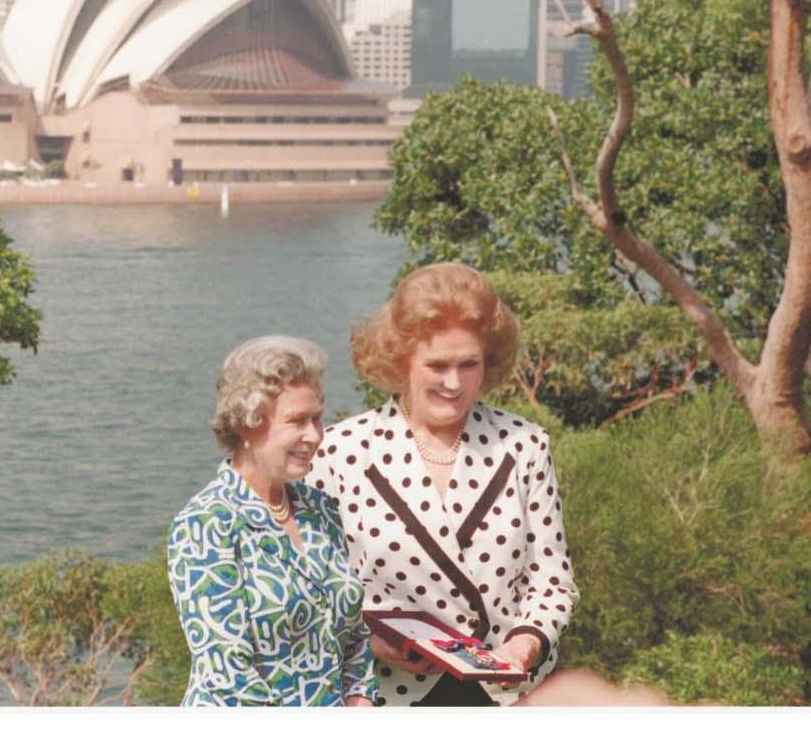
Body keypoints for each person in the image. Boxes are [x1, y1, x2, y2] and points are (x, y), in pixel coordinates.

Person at [314, 262, 579, 707]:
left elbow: (552, 581)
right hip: (384, 698)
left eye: (468, 364)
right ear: (401, 360)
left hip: (505, 696)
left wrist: (524, 646)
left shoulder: (525, 446)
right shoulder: (339, 453)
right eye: (437, 365)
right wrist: (372, 643)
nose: (454, 383)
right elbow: (312, 592)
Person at [167, 336, 379, 706]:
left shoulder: (320, 508)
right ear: (248, 426)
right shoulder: (205, 525)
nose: (314, 435)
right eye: (298, 421)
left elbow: (353, 633)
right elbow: (227, 673)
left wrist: (361, 696)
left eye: (317, 418)